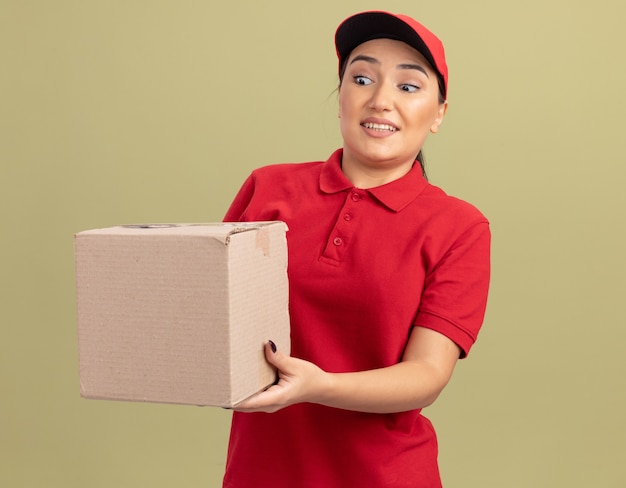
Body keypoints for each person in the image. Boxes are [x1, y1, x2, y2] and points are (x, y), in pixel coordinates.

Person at [222, 10, 490, 488]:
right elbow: (215, 322)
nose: (381, 100)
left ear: (439, 114)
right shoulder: (268, 189)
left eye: (409, 87)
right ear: (340, 96)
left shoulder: (458, 227)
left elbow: (427, 373)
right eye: (362, 77)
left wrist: (319, 387)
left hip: (385, 476)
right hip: (259, 473)